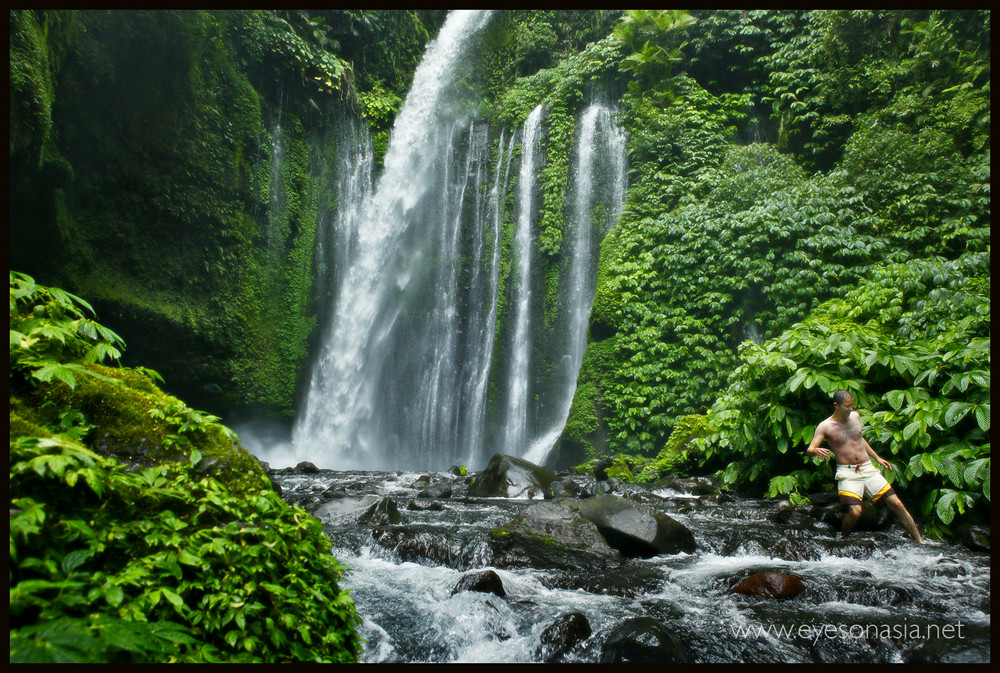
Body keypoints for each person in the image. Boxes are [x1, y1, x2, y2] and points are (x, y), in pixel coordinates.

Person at [806, 390, 924, 543]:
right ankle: (842, 541)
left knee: (896, 503)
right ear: (837, 405)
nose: (852, 409)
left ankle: (920, 540)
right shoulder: (825, 426)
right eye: (848, 406)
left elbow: (859, 439)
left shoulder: (855, 417)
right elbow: (809, 450)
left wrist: (877, 457)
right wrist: (815, 450)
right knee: (856, 512)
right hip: (847, 473)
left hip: (867, 468)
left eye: (852, 405)